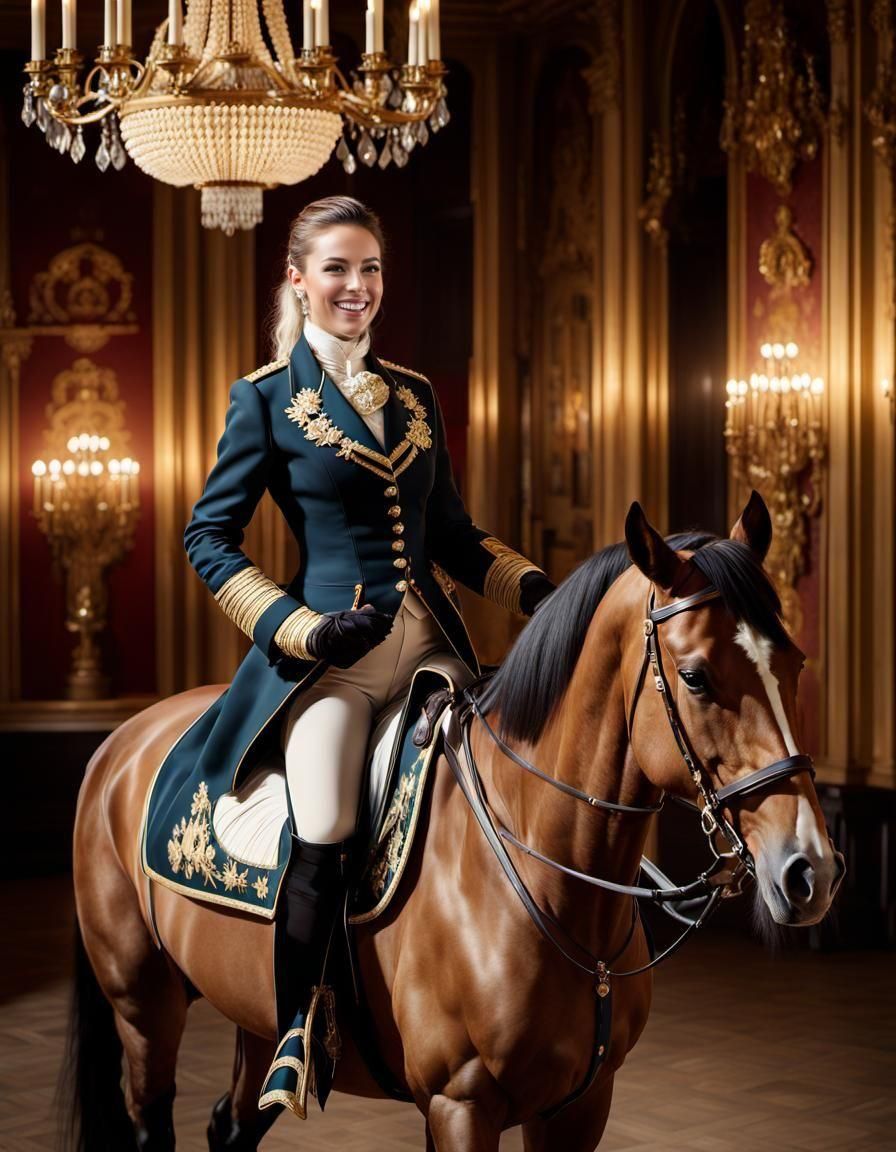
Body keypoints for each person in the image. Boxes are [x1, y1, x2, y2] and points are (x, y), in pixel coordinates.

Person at [178, 195, 555, 1114]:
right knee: (326, 824)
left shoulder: (417, 394)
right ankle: (300, 1027)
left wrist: (540, 591)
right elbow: (209, 537)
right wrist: (298, 628)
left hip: (427, 648)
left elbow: (456, 539)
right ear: (299, 281)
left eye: (371, 269)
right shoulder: (265, 398)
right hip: (333, 661)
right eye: (338, 269)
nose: (358, 287)